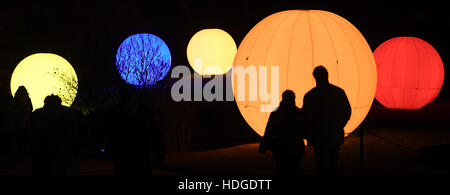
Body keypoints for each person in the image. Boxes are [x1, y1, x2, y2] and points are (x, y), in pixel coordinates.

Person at [303, 66, 351, 175]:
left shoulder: (310, 95)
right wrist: (339, 125)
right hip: (333, 133)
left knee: (320, 162)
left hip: (318, 135)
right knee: (333, 160)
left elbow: (305, 116)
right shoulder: (338, 92)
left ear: (315, 77)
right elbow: (347, 111)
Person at [259, 90, 307, 175]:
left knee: (282, 169)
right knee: (292, 169)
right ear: (293, 99)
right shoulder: (298, 112)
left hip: (280, 147)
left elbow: (269, 129)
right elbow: (304, 129)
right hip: (295, 147)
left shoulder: (276, 113)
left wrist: (264, 144)